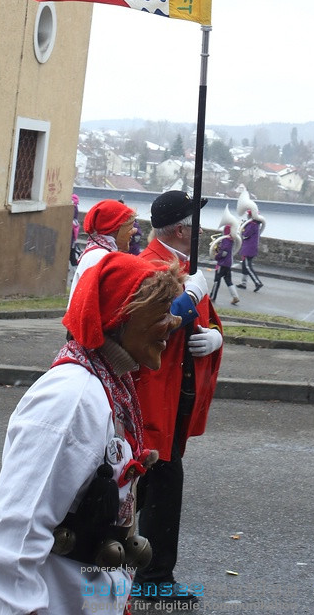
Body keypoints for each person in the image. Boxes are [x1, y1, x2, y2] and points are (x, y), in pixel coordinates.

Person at [0, 250, 184, 615]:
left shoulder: (111, 384)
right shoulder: (72, 399)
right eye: (161, 311)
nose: (174, 323)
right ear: (120, 317)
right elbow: (14, 539)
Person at [132, 190, 223, 606]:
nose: (202, 230)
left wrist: (217, 337)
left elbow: (205, 321)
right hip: (155, 398)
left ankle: (142, 569)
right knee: (162, 485)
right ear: (183, 229)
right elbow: (153, 324)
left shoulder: (186, 267)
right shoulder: (150, 266)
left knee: (153, 485)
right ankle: (155, 578)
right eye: (196, 222)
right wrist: (188, 300)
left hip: (177, 395)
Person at [67, 199, 136, 301]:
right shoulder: (98, 256)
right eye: (129, 227)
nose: (134, 232)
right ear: (115, 229)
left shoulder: (100, 253)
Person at [209, 206, 242, 306]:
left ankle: (212, 296)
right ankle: (235, 296)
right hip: (228, 263)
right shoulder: (231, 239)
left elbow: (224, 252)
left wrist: (216, 256)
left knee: (216, 280)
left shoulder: (226, 240)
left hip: (222, 263)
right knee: (228, 280)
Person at [236, 190, 265, 292]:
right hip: (249, 248)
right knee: (244, 265)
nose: (247, 216)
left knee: (247, 267)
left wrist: (241, 228)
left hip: (248, 248)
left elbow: (245, 235)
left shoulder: (252, 224)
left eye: (248, 214)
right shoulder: (255, 224)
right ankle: (243, 283)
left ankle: (257, 282)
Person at [69, 193, 80, 268]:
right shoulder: (75, 208)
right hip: (73, 231)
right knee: (72, 249)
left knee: (71, 250)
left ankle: (73, 265)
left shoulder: (71, 207)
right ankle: (74, 265)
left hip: (71, 231)